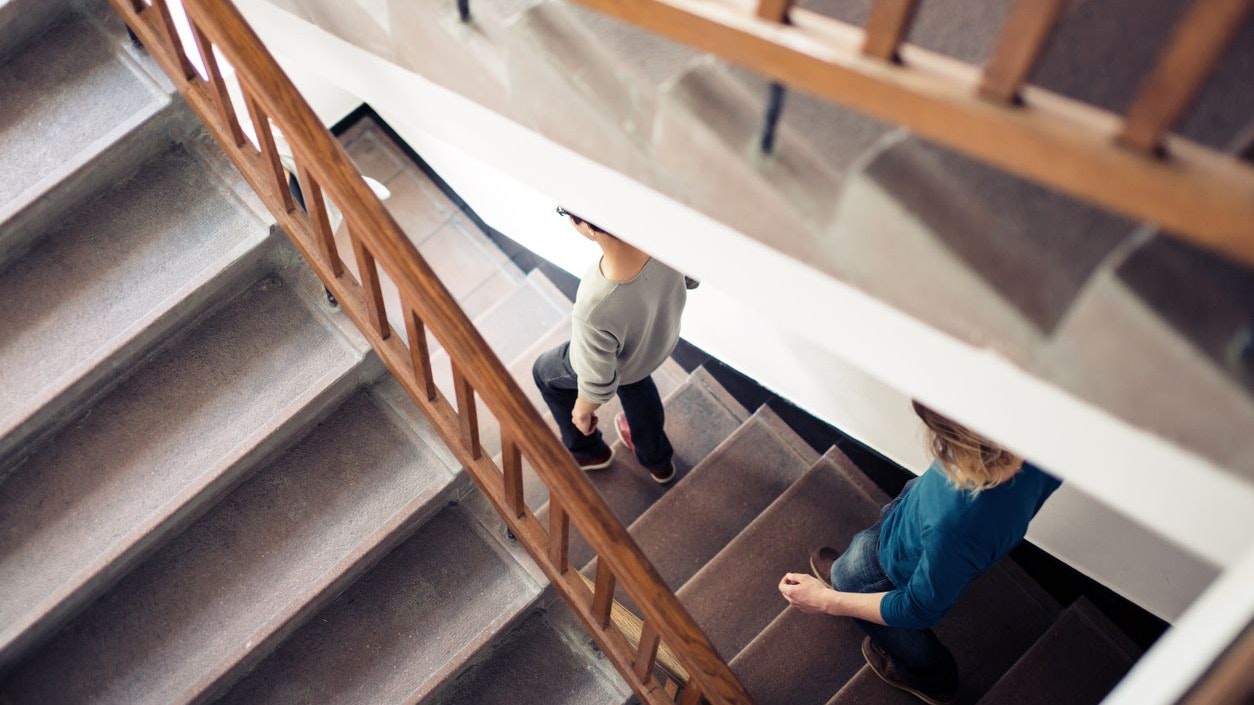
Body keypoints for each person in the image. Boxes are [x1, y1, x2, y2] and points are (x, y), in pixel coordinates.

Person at [778, 401, 1061, 705]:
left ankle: (930, 680)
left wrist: (827, 601)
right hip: (916, 517)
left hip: (900, 563)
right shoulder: (1052, 430)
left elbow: (917, 608)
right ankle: (845, 574)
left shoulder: (957, 522)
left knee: (852, 579)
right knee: (855, 560)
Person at [531, 207, 687, 483]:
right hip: (655, 346)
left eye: (565, 212)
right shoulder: (666, 239)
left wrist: (582, 412)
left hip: (624, 360)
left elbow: (596, 379)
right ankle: (658, 461)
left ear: (589, 227)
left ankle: (588, 451)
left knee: (544, 372)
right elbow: (689, 279)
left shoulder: (596, 304)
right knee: (635, 382)